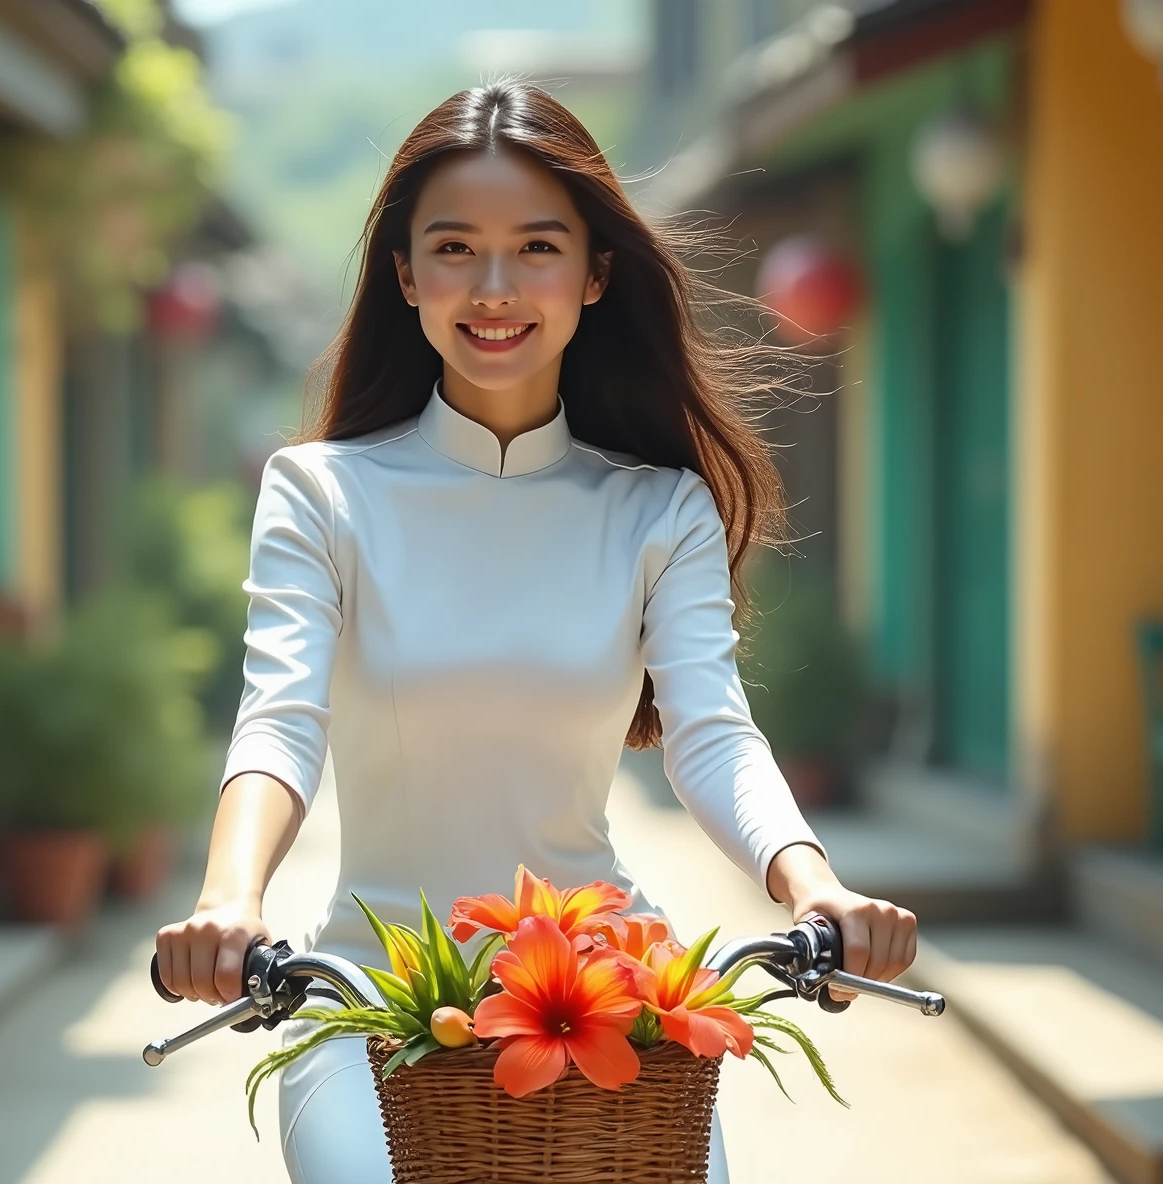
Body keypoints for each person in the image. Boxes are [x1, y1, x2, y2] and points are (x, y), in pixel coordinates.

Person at [155, 80, 919, 1183]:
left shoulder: (657, 508)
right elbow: (281, 717)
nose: (495, 287)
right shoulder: (320, 494)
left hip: (608, 999)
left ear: (594, 272)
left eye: (537, 247)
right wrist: (228, 899)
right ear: (405, 274)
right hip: (372, 999)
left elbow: (712, 730)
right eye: (454, 248)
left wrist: (811, 887)